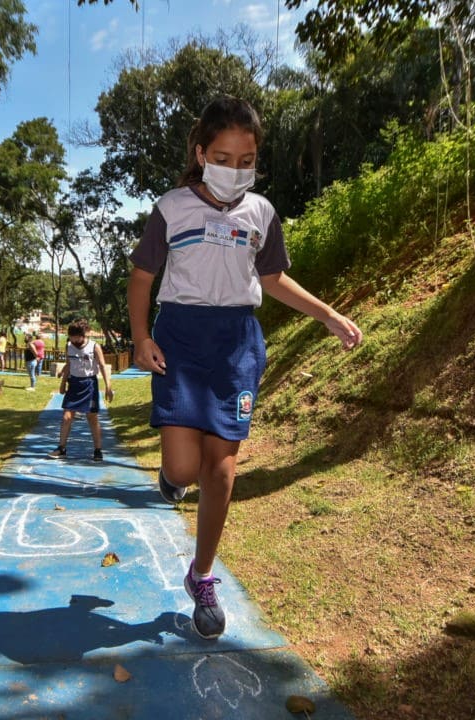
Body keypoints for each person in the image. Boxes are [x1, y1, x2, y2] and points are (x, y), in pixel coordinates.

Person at [127, 97, 363, 639]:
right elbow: (142, 277)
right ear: (200, 153)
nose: (235, 170)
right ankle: (171, 479)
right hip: (181, 339)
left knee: (222, 470)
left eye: (246, 160)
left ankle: (201, 575)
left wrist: (328, 315)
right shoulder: (171, 208)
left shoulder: (261, 214)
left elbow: (273, 279)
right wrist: (140, 338)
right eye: (223, 158)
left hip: (236, 344)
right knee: (184, 470)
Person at [48, 320, 114, 462]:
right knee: (66, 417)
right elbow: (68, 365)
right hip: (74, 384)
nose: (74, 341)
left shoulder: (94, 347)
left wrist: (108, 387)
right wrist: (62, 383)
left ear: (83, 335)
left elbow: (102, 366)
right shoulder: (69, 346)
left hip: (89, 384)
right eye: (72, 338)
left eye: (76, 338)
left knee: (92, 418)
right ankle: (61, 448)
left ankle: (98, 450)